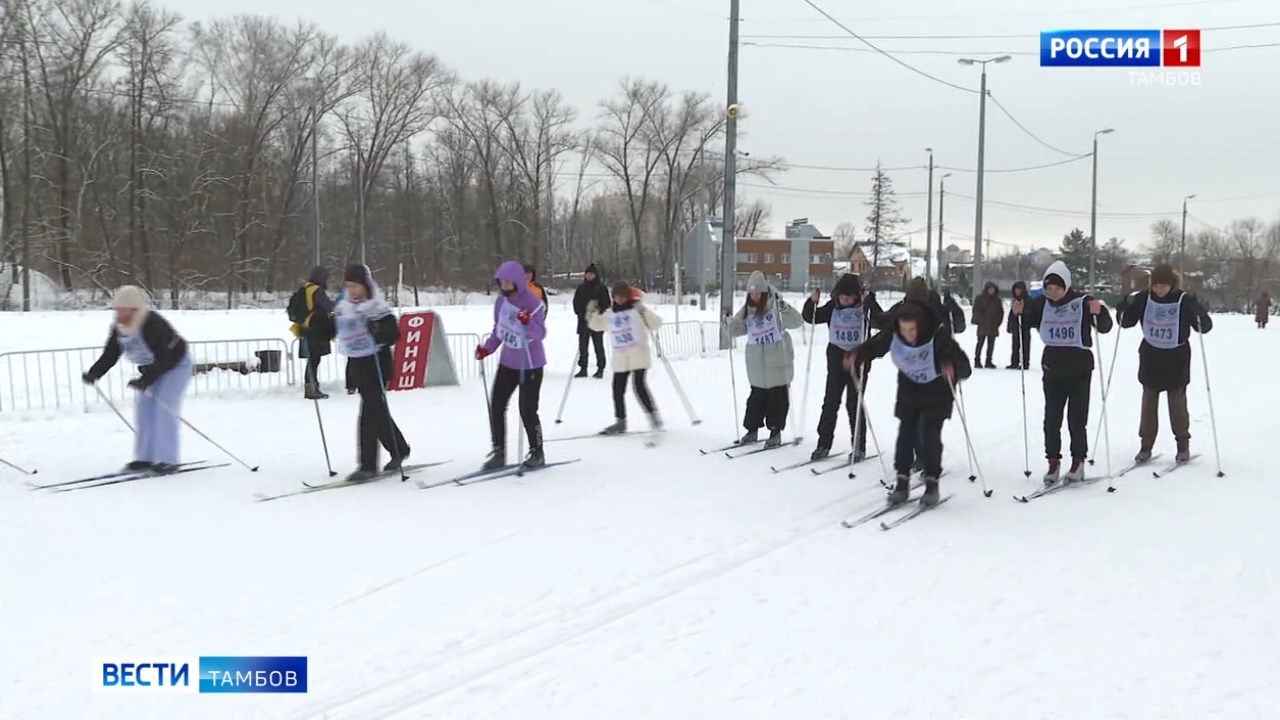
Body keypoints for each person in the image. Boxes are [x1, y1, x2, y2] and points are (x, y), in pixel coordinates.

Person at [847, 295, 972, 506]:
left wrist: (951, 366)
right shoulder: (894, 332)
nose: (908, 335)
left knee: (928, 434)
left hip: (937, 390)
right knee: (906, 434)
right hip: (910, 388)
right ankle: (902, 481)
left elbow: (965, 367)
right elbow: (875, 347)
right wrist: (858, 354)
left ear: (921, 326)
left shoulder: (938, 335)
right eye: (904, 331)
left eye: (912, 330)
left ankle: (932, 483)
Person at [1012, 260, 1113, 484]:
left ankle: (1078, 461)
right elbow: (1021, 325)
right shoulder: (1041, 304)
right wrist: (1017, 314)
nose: (1053, 293)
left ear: (1066, 286)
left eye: (1057, 289)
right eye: (1048, 289)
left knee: (1076, 419)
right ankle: (1053, 461)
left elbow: (1105, 327)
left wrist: (1100, 312)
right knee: (1051, 419)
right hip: (1053, 368)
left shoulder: (1083, 302)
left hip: (1079, 368)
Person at [82, 285, 193, 474]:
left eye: (122, 310)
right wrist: (94, 373)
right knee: (144, 410)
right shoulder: (119, 328)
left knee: (164, 408)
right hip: (153, 369)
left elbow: (166, 358)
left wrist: (145, 380)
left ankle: (168, 460)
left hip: (175, 366)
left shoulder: (152, 323)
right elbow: (111, 354)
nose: (118, 314)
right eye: (116, 310)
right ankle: (145, 458)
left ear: (134, 309)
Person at [1117, 264, 1213, 464]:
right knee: (1148, 405)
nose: (1160, 290)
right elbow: (1126, 322)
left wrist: (1199, 311)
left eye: (1164, 286)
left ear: (1172, 285)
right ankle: (1146, 445)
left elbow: (1203, 328)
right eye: (1157, 285)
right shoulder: (1144, 298)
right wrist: (1123, 308)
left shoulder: (1183, 300)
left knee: (1177, 406)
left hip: (1176, 358)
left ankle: (1182, 445)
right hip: (1151, 356)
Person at [335, 265, 409, 481]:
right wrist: (314, 331)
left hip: (377, 364)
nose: (353, 291)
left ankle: (367, 464)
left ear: (366, 285)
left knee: (369, 413)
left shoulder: (378, 308)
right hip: (358, 365)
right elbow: (336, 331)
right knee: (377, 411)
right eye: (349, 286)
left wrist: (376, 330)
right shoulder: (344, 307)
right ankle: (399, 449)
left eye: (356, 286)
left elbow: (393, 334)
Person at [802, 272, 883, 461]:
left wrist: (869, 301)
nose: (845, 301)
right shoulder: (833, 308)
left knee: (854, 405)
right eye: (842, 297)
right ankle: (823, 443)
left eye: (850, 297)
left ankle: (859, 447)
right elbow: (812, 317)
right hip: (836, 360)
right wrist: (811, 303)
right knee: (830, 403)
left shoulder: (864, 308)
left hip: (859, 361)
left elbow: (881, 321)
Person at [476, 260, 549, 469]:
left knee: (527, 410)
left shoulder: (533, 302)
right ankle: (498, 450)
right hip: (508, 363)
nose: (505, 286)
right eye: (502, 282)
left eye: (509, 282)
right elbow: (499, 330)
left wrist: (528, 322)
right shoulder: (501, 302)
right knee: (497, 406)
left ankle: (537, 451)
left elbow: (540, 332)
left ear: (518, 281)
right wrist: (487, 349)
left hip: (530, 363)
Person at [725, 270, 804, 448]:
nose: (754, 296)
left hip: (777, 361)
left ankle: (775, 432)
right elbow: (737, 330)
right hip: (757, 365)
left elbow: (797, 321)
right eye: (751, 293)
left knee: (777, 398)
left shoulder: (776, 305)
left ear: (764, 291)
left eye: (757, 292)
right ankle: (752, 430)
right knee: (756, 399)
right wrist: (728, 324)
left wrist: (785, 308)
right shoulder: (747, 310)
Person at [589, 281, 664, 434]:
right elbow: (596, 325)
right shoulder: (611, 313)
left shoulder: (636, 310)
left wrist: (643, 310)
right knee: (617, 389)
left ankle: (653, 417)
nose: (620, 300)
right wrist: (593, 312)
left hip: (638, 354)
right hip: (621, 357)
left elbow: (656, 323)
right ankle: (620, 421)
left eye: (623, 296)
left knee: (639, 386)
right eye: (616, 297)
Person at [288, 266, 336, 399]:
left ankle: (310, 387)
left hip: (305, 328)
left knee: (312, 360)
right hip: (315, 329)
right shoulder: (316, 291)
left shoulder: (305, 288)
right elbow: (328, 306)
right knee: (314, 360)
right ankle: (312, 388)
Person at [572, 263, 610, 379]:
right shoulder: (581, 288)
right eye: (587, 274)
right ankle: (583, 368)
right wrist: (580, 312)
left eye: (591, 274)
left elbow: (607, 304)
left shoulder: (601, 288)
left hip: (596, 321)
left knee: (598, 345)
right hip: (583, 321)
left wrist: (597, 310)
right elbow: (576, 302)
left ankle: (600, 368)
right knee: (583, 346)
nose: (589, 276)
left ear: (595, 275)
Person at [971, 281, 1004, 369]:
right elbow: (975, 310)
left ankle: (988, 360)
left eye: (993, 289)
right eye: (990, 289)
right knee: (980, 343)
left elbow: (1000, 313)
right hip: (982, 325)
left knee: (991, 344)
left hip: (993, 326)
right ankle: (977, 360)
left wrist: (997, 323)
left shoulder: (997, 300)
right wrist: (980, 319)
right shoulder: (980, 298)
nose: (991, 291)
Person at [1006, 280, 1032, 369]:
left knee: (1025, 345)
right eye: (1016, 290)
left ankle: (1025, 363)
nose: (1017, 292)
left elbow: (1031, 312)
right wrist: (1010, 325)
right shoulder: (1015, 300)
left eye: (1019, 290)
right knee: (1015, 345)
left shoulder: (1028, 299)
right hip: (1015, 326)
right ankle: (1014, 362)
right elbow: (1011, 313)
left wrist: (1023, 312)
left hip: (1025, 326)